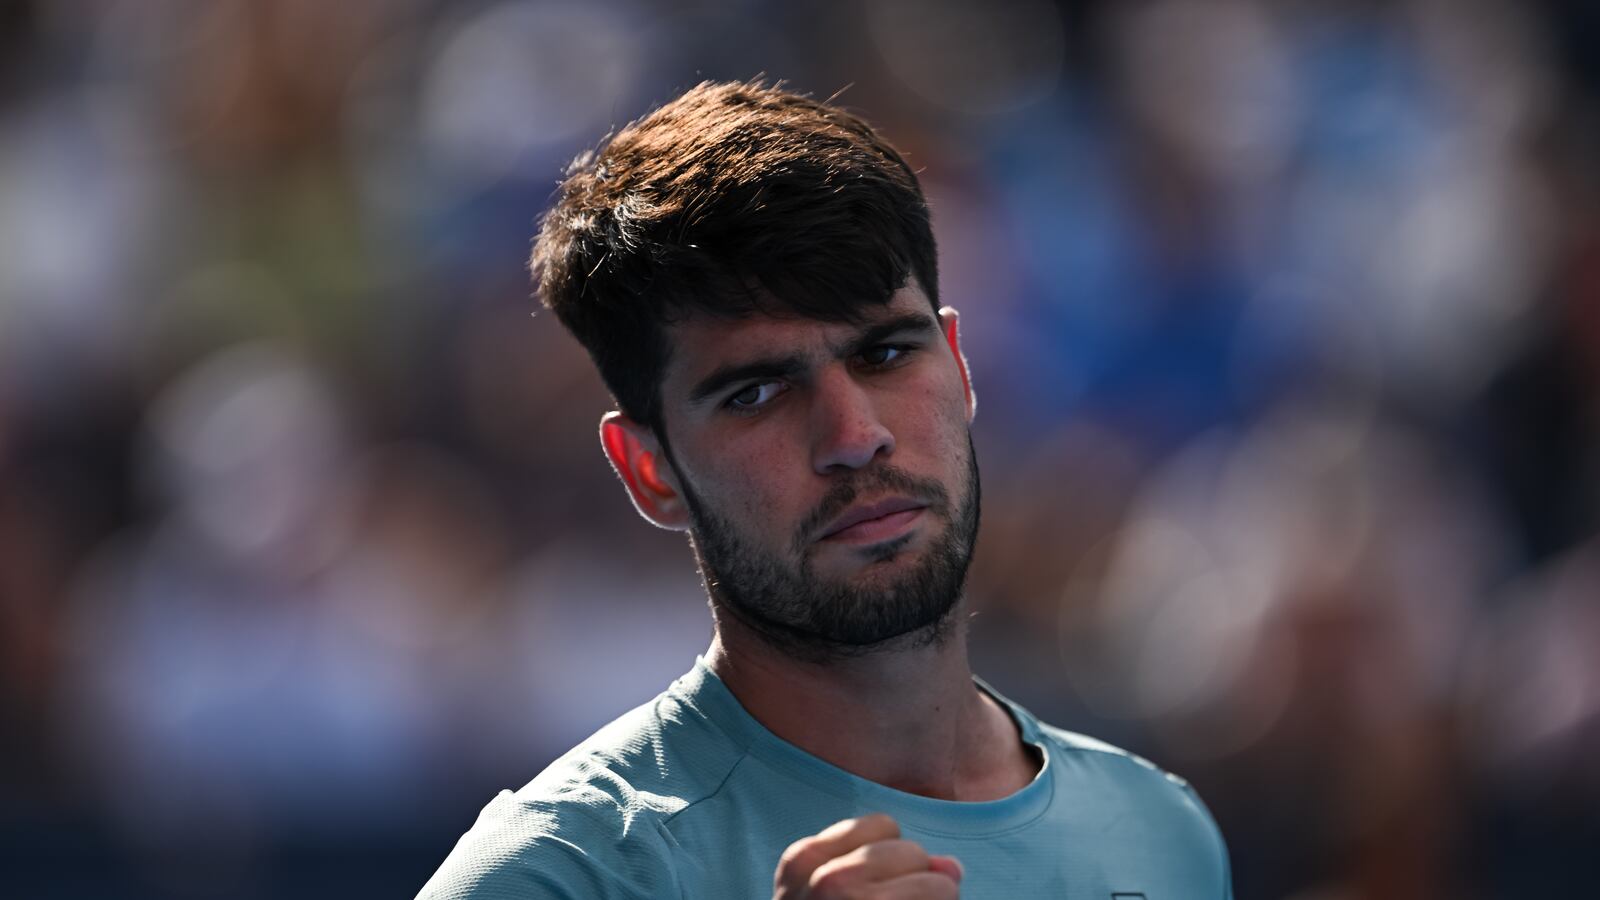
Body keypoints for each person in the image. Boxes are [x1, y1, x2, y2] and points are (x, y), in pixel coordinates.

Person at [417, 80, 1232, 900]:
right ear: (648, 469)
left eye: (884, 355)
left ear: (959, 365)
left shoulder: (1164, 834)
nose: (853, 436)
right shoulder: (545, 878)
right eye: (756, 393)